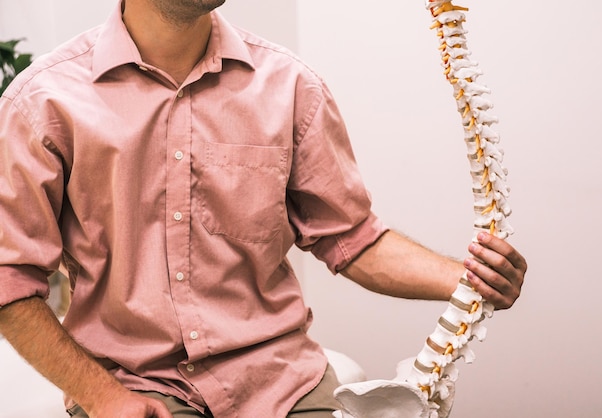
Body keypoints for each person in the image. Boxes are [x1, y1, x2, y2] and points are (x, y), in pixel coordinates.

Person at [0, 0, 527, 417]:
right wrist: (100, 396)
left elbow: (351, 239)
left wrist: (470, 279)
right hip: (135, 385)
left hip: (280, 382)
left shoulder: (292, 87)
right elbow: (11, 279)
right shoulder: (42, 102)